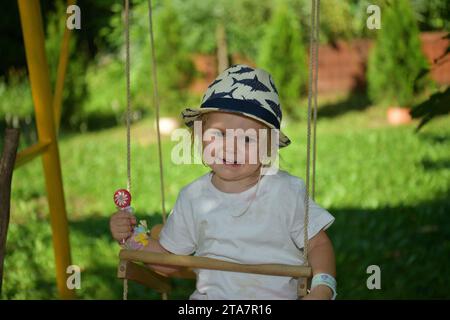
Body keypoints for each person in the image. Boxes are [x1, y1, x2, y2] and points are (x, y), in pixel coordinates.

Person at [110, 64, 336, 300]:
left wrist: (322, 286)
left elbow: (319, 245)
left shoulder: (286, 191)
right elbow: (168, 262)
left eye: (248, 138)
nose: (231, 146)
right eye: (220, 134)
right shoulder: (193, 197)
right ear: (200, 137)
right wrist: (130, 236)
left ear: (268, 146)